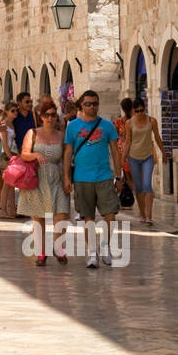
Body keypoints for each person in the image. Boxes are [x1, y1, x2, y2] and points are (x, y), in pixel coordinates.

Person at [63, 90, 123, 268]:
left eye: (95, 103)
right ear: (81, 105)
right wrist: (67, 177)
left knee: (110, 213)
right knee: (88, 216)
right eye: (88, 104)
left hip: (104, 176)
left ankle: (105, 247)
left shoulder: (107, 126)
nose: (92, 107)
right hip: (82, 178)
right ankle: (91, 252)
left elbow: (115, 151)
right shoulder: (73, 126)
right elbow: (67, 152)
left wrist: (119, 176)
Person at [18, 96, 71, 265]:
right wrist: (35, 154)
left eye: (53, 115)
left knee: (62, 214)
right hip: (37, 178)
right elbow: (24, 154)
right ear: (41, 117)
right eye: (47, 115)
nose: (50, 118)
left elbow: (66, 158)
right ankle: (41, 253)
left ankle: (57, 247)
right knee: (39, 217)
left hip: (56, 177)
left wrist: (67, 178)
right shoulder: (32, 133)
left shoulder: (61, 135)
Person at [123, 98, 167, 227]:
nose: (140, 113)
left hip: (148, 156)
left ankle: (149, 216)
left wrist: (164, 153)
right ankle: (142, 213)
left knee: (147, 184)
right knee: (139, 187)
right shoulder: (129, 123)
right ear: (133, 111)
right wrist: (123, 158)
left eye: (142, 110)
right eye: (137, 111)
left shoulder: (152, 121)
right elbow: (128, 141)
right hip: (133, 157)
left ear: (145, 109)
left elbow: (157, 138)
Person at [0, 102, 19, 219]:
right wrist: (11, 158)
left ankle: (12, 211)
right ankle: (3, 211)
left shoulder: (12, 124)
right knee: (6, 185)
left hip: (12, 154)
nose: (15, 113)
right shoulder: (4, 124)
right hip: (7, 156)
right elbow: (5, 144)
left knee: (11, 185)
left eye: (16, 111)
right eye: (13, 111)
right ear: (7, 112)